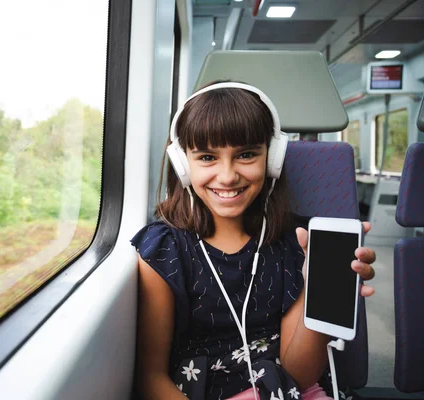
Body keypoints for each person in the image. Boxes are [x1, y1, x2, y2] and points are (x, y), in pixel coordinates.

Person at [131, 81, 376, 400]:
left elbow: (298, 375)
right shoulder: (163, 250)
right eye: (207, 157)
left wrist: (316, 291)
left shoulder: (295, 244)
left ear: (272, 159)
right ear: (183, 165)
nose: (228, 175)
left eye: (246, 154)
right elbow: (150, 378)